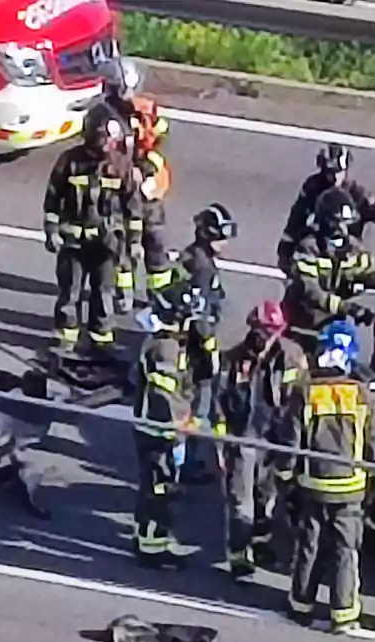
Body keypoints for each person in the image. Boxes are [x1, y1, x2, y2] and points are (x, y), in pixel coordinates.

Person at [274, 319, 375, 637]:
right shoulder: (361, 394)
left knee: (309, 544)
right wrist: (374, 481)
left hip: (313, 486)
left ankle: (300, 605)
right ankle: (344, 614)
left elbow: (290, 443)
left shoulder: (305, 392)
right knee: (345, 550)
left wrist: (285, 479)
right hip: (351, 488)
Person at [213, 301, 308, 581]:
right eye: (265, 330)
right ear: (253, 327)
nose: (268, 337)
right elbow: (218, 402)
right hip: (243, 439)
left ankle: (261, 540)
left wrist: (295, 442)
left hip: (275, 439)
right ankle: (240, 556)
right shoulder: (232, 359)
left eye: (274, 331)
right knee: (240, 499)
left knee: (267, 495)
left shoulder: (292, 356)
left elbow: (300, 398)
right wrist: (220, 442)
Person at [43, 113, 143, 353]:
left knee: (103, 295)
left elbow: (133, 209)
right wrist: (51, 231)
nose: (108, 145)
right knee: (70, 294)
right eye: (104, 140)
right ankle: (66, 339)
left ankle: (102, 342)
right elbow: (53, 199)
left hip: (106, 247)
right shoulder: (70, 162)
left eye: (111, 140)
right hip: (74, 245)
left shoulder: (121, 166)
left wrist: (134, 243)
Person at [86, 57, 173, 313]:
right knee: (122, 245)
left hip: (147, 190)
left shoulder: (144, 111)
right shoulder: (100, 119)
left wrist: (147, 166)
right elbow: (99, 156)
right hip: (119, 194)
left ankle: (159, 293)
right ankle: (124, 292)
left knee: (155, 241)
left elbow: (158, 137)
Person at [131, 284, 204, 568]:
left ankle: (149, 536)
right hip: (158, 432)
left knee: (155, 486)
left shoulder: (166, 344)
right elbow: (164, 397)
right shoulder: (166, 350)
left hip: (155, 429)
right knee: (158, 489)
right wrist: (179, 428)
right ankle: (151, 549)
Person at [275, 143, 375, 273]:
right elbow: (297, 216)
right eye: (330, 172)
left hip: (347, 259)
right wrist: (286, 246)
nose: (334, 178)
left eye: (338, 172)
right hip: (318, 254)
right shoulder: (312, 188)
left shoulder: (357, 195)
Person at [172, 205, 235, 481]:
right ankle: (183, 465)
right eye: (222, 236)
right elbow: (199, 315)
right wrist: (210, 350)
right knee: (195, 409)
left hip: (185, 345)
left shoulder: (193, 257)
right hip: (193, 352)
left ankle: (182, 460)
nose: (226, 242)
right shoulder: (202, 268)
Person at [282, 187, 375, 351]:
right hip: (301, 326)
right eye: (341, 224)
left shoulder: (352, 247)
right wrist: (346, 307)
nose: (346, 229)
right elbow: (311, 291)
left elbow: (363, 269)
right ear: (329, 223)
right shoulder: (308, 248)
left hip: (330, 327)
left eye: (348, 224)